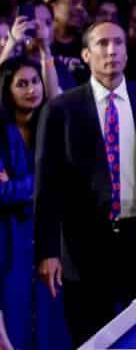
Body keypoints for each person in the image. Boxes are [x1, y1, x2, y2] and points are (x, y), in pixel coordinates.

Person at [33, 20, 136, 345]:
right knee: (92, 337)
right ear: (85, 54)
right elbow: (48, 188)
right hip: (85, 249)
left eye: (119, 43)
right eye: (103, 44)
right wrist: (47, 251)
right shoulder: (61, 109)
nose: (112, 51)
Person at [2, 56, 61, 350]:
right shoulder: (1, 133)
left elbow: (65, 182)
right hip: (10, 244)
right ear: (8, 90)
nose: (31, 90)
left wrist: (17, 186)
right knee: (16, 330)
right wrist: (42, 184)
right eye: (21, 84)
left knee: (53, 330)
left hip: (51, 240)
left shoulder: (52, 126)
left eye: (35, 82)